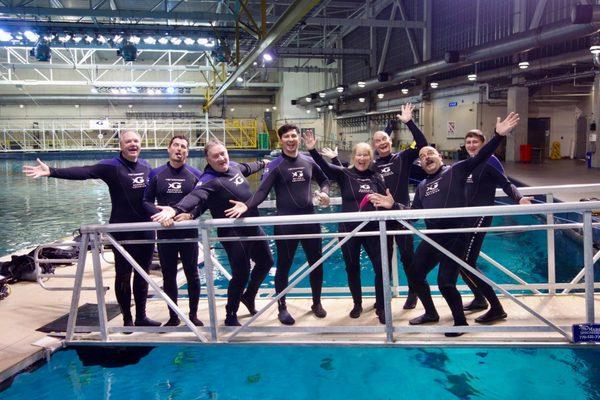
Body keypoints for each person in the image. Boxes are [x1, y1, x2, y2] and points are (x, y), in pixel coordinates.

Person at [369, 112, 520, 337]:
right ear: (420, 163)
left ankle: (460, 323)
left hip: (456, 236)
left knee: (445, 282)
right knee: (414, 272)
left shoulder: (456, 171)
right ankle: (431, 313)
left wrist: (497, 136)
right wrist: (393, 206)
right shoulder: (421, 187)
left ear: (439, 156)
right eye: (422, 156)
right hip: (434, 237)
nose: (427, 157)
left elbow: (481, 157)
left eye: (430, 153)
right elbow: (412, 216)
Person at [23, 130, 159, 327]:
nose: (133, 144)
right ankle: (128, 320)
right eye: (128, 141)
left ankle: (141, 317)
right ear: (120, 146)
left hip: (145, 229)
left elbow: (153, 195)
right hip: (122, 230)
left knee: (143, 274)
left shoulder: (146, 166)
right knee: (123, 274)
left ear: (141, 144)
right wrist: (52, 171)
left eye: (136, 141)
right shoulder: (112, 166)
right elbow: (85, 172)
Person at [151, 140, 273, 327]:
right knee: (241, 273)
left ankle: (249, 296)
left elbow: (249, 167)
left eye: (223, 153)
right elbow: (196, 196)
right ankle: (230, 314)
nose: (221, 158)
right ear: (208, 159)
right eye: (216, 156)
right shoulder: (208, 179)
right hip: (232, 232)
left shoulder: (233, 166)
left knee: (266, 262)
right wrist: (175, 210)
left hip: (253, 225)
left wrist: (265, 163)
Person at [225, 124, 331, 326]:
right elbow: (261, 192)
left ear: (298, 138)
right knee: (284, 266)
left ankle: (316, 302)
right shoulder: (275, 165)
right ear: (280, 140)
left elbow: (325, 180)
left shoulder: (308, 161)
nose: (291, 140)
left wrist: (325, 192)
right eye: (287, 137)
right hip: (285, 223)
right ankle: (282, 307)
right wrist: (246, 207)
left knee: (316, 263)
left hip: (310, 221)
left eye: (294, 136)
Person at [304, 131, 388, 324]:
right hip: (348, 229)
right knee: (352, 267)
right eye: (359, 154)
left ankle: (381, 306)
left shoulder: (377, 177)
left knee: (380, 268)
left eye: (366, 155)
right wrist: (312, 150)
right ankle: (357, 304)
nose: (362, 158)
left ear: (371, 157)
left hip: (373, 228)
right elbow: (325, 166)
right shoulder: (345, 175)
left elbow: (385, 199)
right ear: (353, 157)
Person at [460, 129, 532, 323]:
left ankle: (497, 308)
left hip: (481, 216)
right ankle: (479, 299)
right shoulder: (467, 163)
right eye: (468, 142)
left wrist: (519, 198)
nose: (472, 145)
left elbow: (506, 184)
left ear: (483, 143)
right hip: (465, 218)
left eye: (475, 142)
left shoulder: (490, 161)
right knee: (460, 262)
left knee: (466, 262)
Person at [143, 135, 204, 327]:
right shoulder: (156, 174)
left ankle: (193, 315)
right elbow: (145, 201)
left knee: (192, 274)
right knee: (168, 276)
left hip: (188, 233)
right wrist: (161, 216)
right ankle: (173, 315)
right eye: (176, 145)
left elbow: (203, 201)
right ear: (169, 149)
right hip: (165, 233)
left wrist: (190, 216)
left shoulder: (195, 174)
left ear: (187, 151)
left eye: (184, 146)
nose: (179, 149)